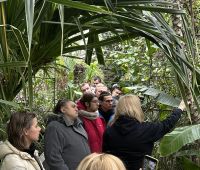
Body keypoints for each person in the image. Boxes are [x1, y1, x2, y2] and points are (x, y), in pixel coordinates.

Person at [103, 94, 186, 170]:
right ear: (137, 108)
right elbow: (167, 124)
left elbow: (105, 156)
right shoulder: (146, 129)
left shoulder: (109, 131)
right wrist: (180, 108)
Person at [44, 99, 90, 170]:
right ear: (63, 110)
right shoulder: (54, 127)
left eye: (77, 107)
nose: (76, 109)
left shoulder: (79, 125)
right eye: (73, 106)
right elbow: (53, 157)